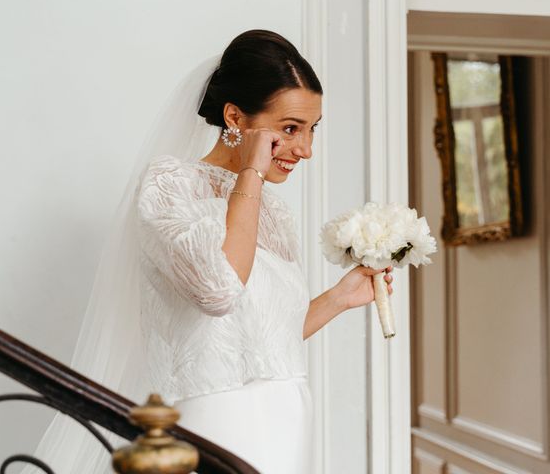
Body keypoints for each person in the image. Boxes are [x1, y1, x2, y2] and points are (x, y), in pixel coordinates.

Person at [20, 29, 393, 474]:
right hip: (217, 423)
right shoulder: (170, 186)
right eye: (290, 129)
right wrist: (251, 171)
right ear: (235, 117)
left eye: (312, 129)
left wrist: (337, 299)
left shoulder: (272, 211)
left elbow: (265, 342)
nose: (306, 149)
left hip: (288, 415)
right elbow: (219, 292)